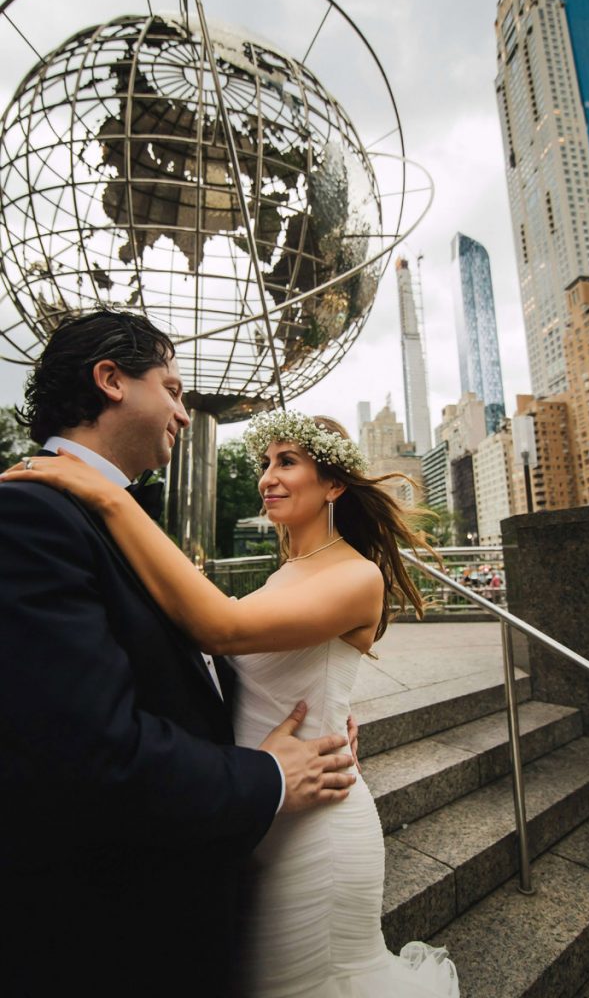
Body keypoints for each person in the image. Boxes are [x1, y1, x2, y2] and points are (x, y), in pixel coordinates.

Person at [2, 406, 459, 997]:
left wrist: (108, 497)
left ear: (335, 484)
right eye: (266, 462)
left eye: (288, 462)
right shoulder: (283, 575)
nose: (268, 477)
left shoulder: (358, 576)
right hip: (256, 805)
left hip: (316, 830)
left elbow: (220, 629)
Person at [0, 311, 357, 998]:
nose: (184, 414)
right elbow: (92, 755)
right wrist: (264, 777)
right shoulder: (30, 513)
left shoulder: (99, 509)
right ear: (110, 380)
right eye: (170, 388)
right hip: (109, 934)